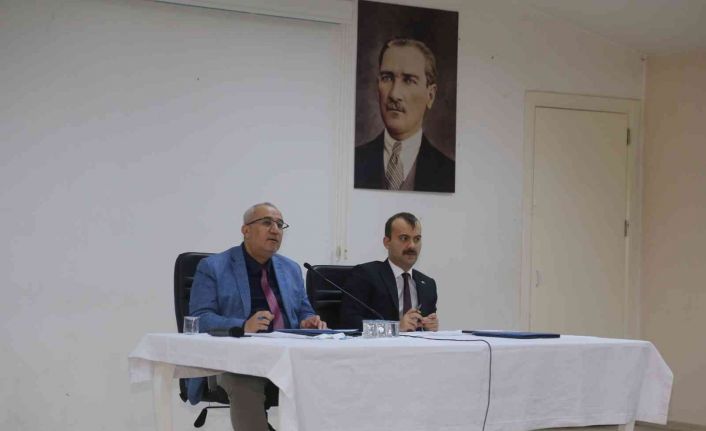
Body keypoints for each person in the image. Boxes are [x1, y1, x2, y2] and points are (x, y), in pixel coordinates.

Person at [187, 202, 326, 431]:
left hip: (288, 356)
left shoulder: (291, 269)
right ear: (246, 230)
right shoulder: (213, 267)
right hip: (236, 360)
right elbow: (200, 319)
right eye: (267, 223)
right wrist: (243, 325)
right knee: (243, 380)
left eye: (280, 225)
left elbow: (304, 310)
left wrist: (308, 320)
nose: (275, 230)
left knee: (331, 373)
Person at [355, 38, 455, 193]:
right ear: (377, 87)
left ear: (430, 95)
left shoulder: (449, 174)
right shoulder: (354, 161)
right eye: (387, 78)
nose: (394, 94)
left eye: (408, 80)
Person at [340, 212, 439, 331]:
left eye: (417, 239)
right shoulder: (365, 275)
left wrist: (429, 326)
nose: (412, 246)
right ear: (387, 242)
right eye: (404, 238)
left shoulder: (428, 285)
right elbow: (349, 322)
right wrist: (394, 328)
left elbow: (426, 327)